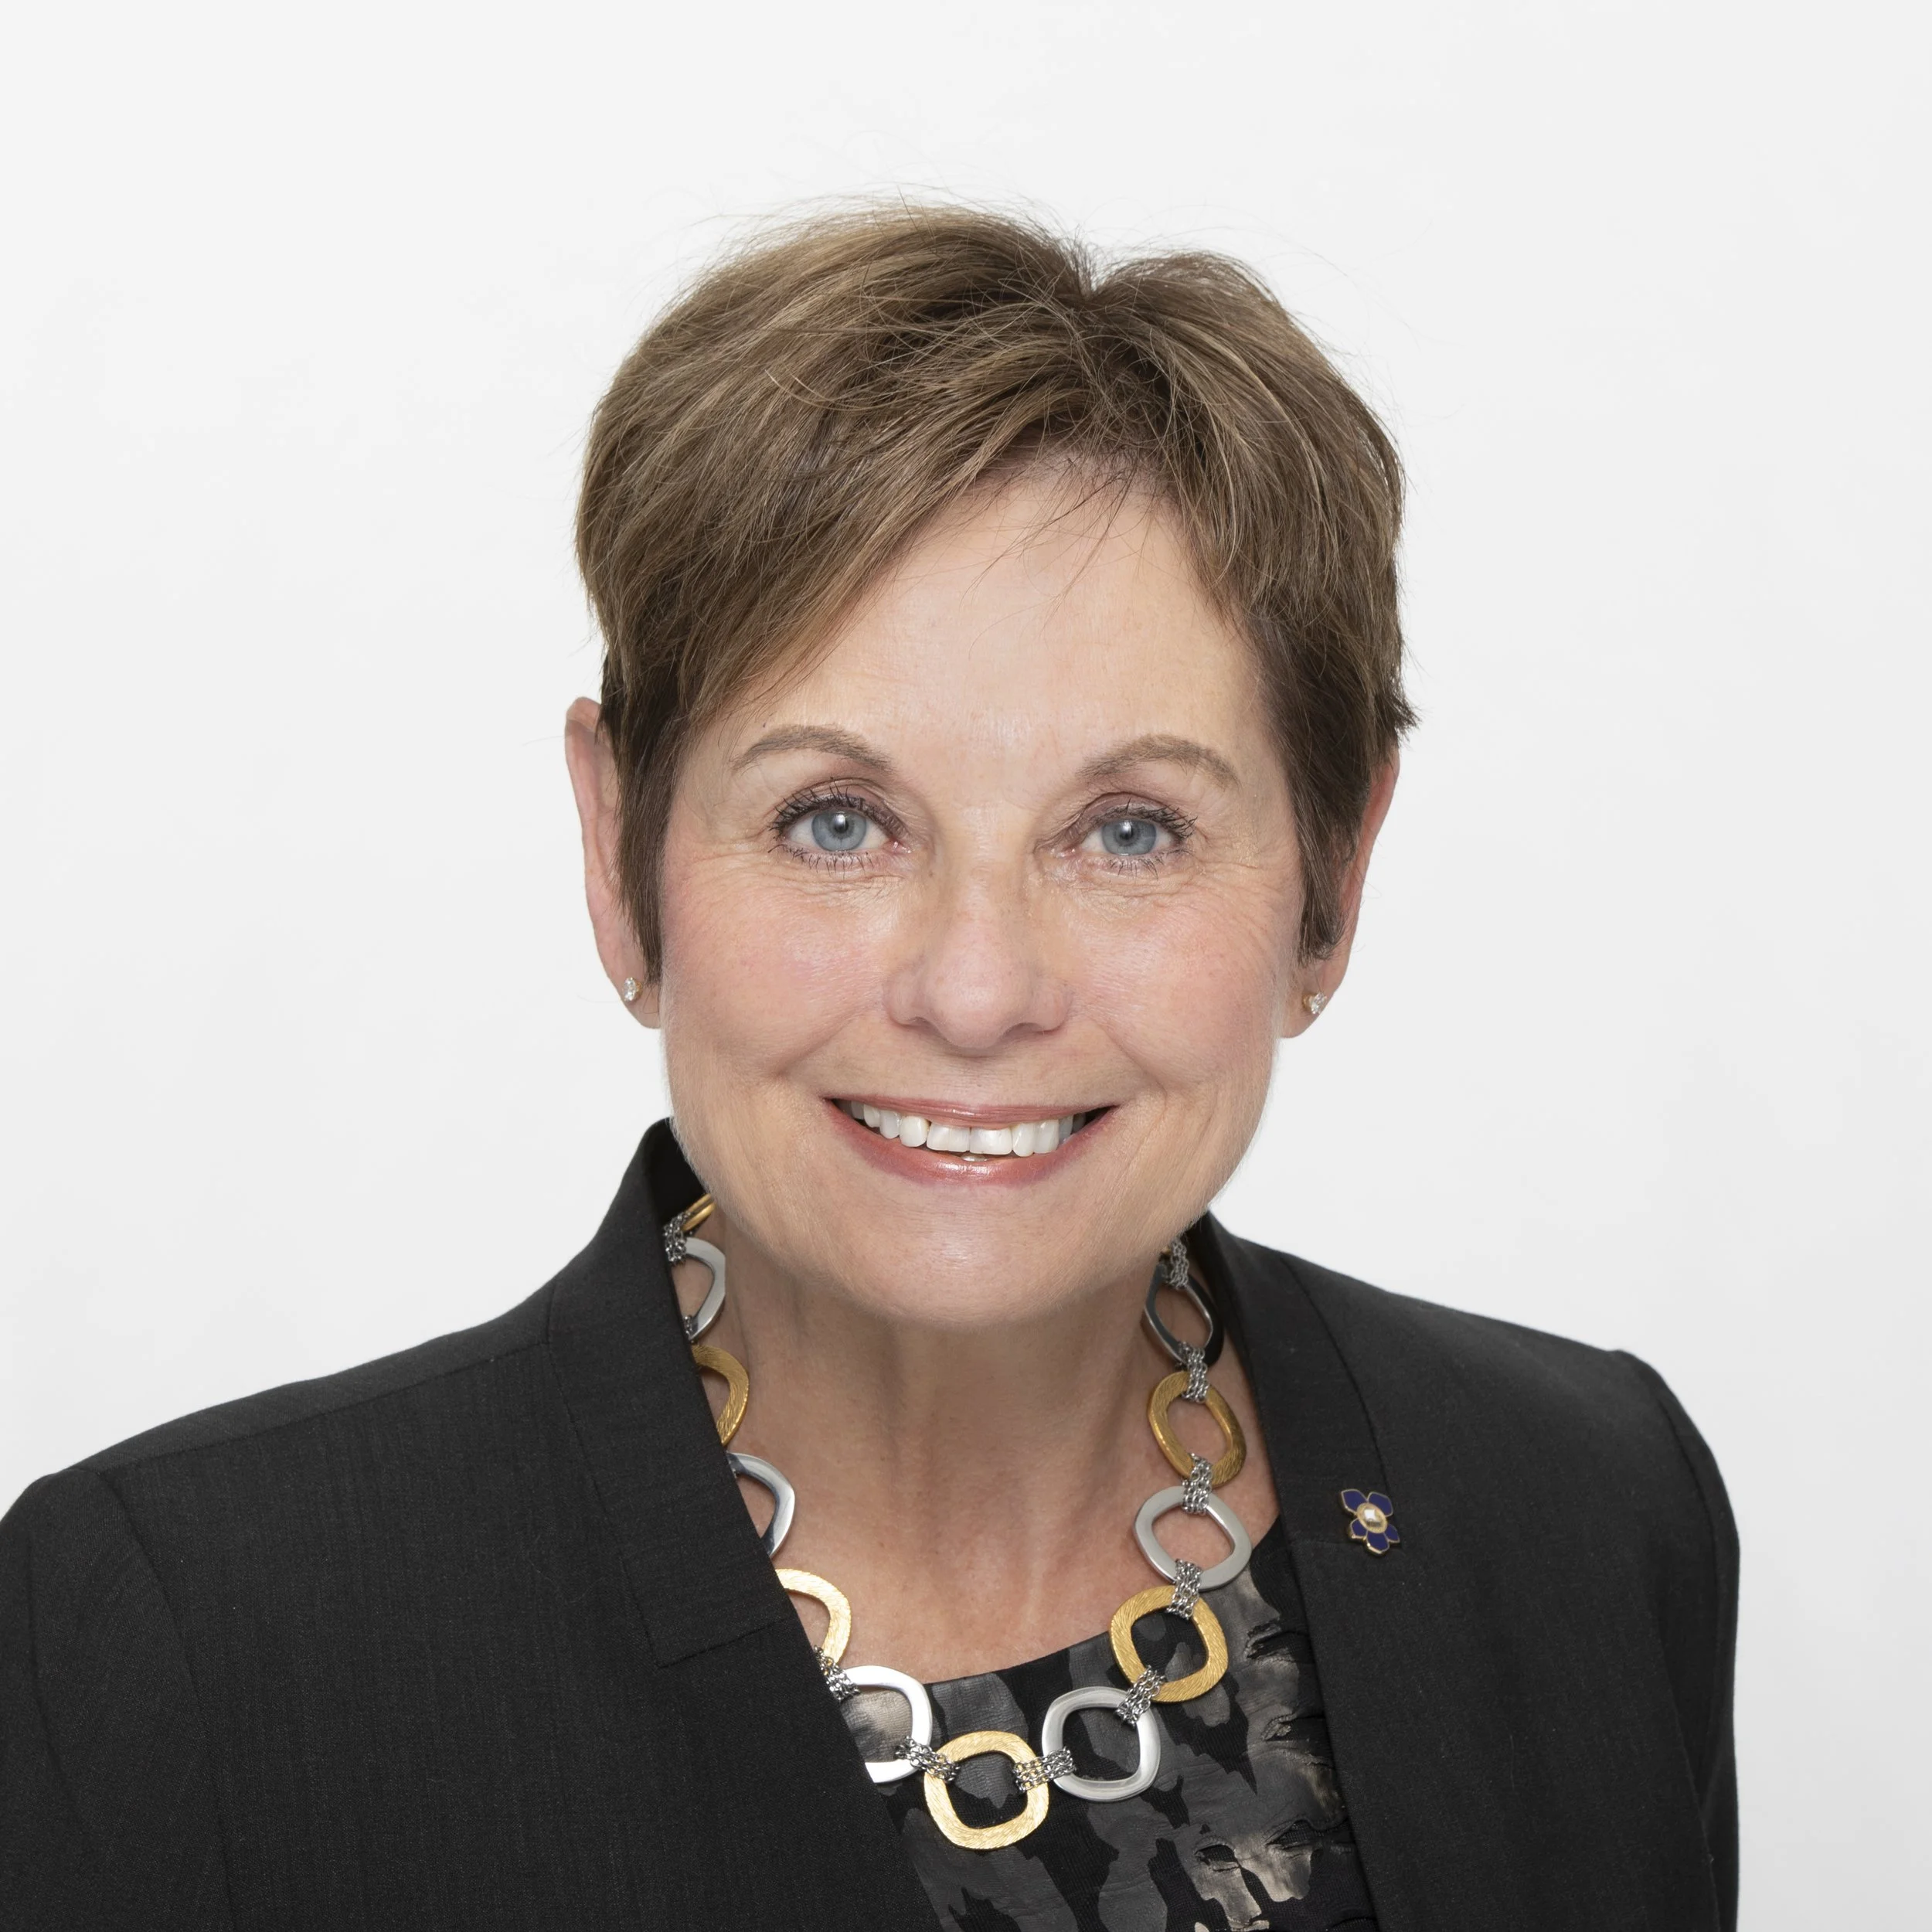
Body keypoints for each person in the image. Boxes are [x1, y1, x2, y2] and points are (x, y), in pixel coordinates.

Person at [0, 206, 1737, 1932]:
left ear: (1330, 879)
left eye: (1129, 828)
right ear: (619, 852)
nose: (975, 988)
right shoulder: (181, 1641)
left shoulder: (1586, 1507)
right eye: (834, 819)